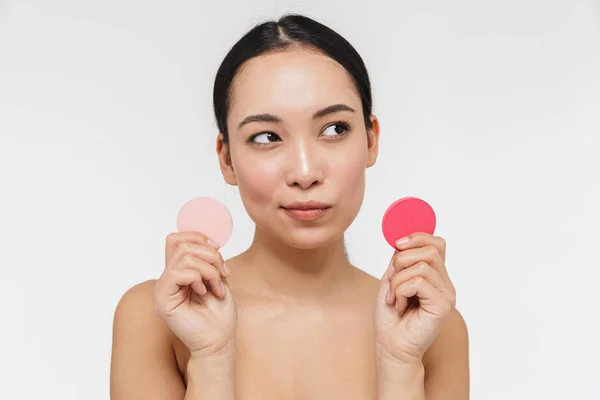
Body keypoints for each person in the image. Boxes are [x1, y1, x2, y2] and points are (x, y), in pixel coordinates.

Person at [110, 13, 469, 400]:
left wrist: (400, 364)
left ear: (371, 140)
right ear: (227, 158)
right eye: (266, 136)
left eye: (334, 129)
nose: (304, 172)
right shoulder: (157, 316)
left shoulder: (432, 324)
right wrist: (210, 357)